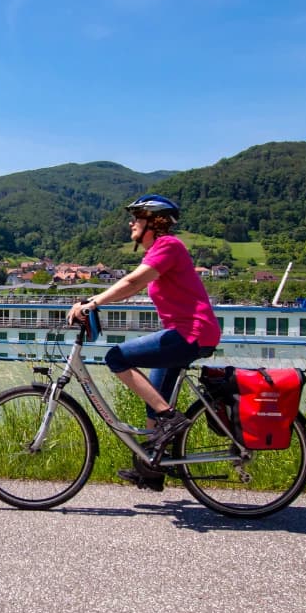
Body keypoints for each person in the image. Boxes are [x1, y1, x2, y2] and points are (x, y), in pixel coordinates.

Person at [67, 194, 221, 491]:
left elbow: (132, 283)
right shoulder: (161, 251)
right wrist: (93, 302)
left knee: (117, 357)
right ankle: (151, 468)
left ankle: (171, 420)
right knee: (155, 397)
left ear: (154, 222)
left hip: (191, 333)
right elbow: (131, 286)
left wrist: (92, 304)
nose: (131, 223)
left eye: (137, 218)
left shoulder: (168, 246)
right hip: (187, 333)